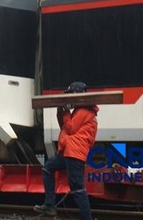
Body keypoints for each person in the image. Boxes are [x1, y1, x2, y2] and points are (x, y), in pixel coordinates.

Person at [34, 81, 98, 220]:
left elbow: (70, 129)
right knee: (48, 168)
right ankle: (50, 205)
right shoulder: (81, 110)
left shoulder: (83, 111)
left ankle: (86, 218)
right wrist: (61, 111)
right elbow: (64, 125)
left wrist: (65, 111)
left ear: (77, 95)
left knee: (77, 187)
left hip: (74, 153)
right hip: (69, 151)